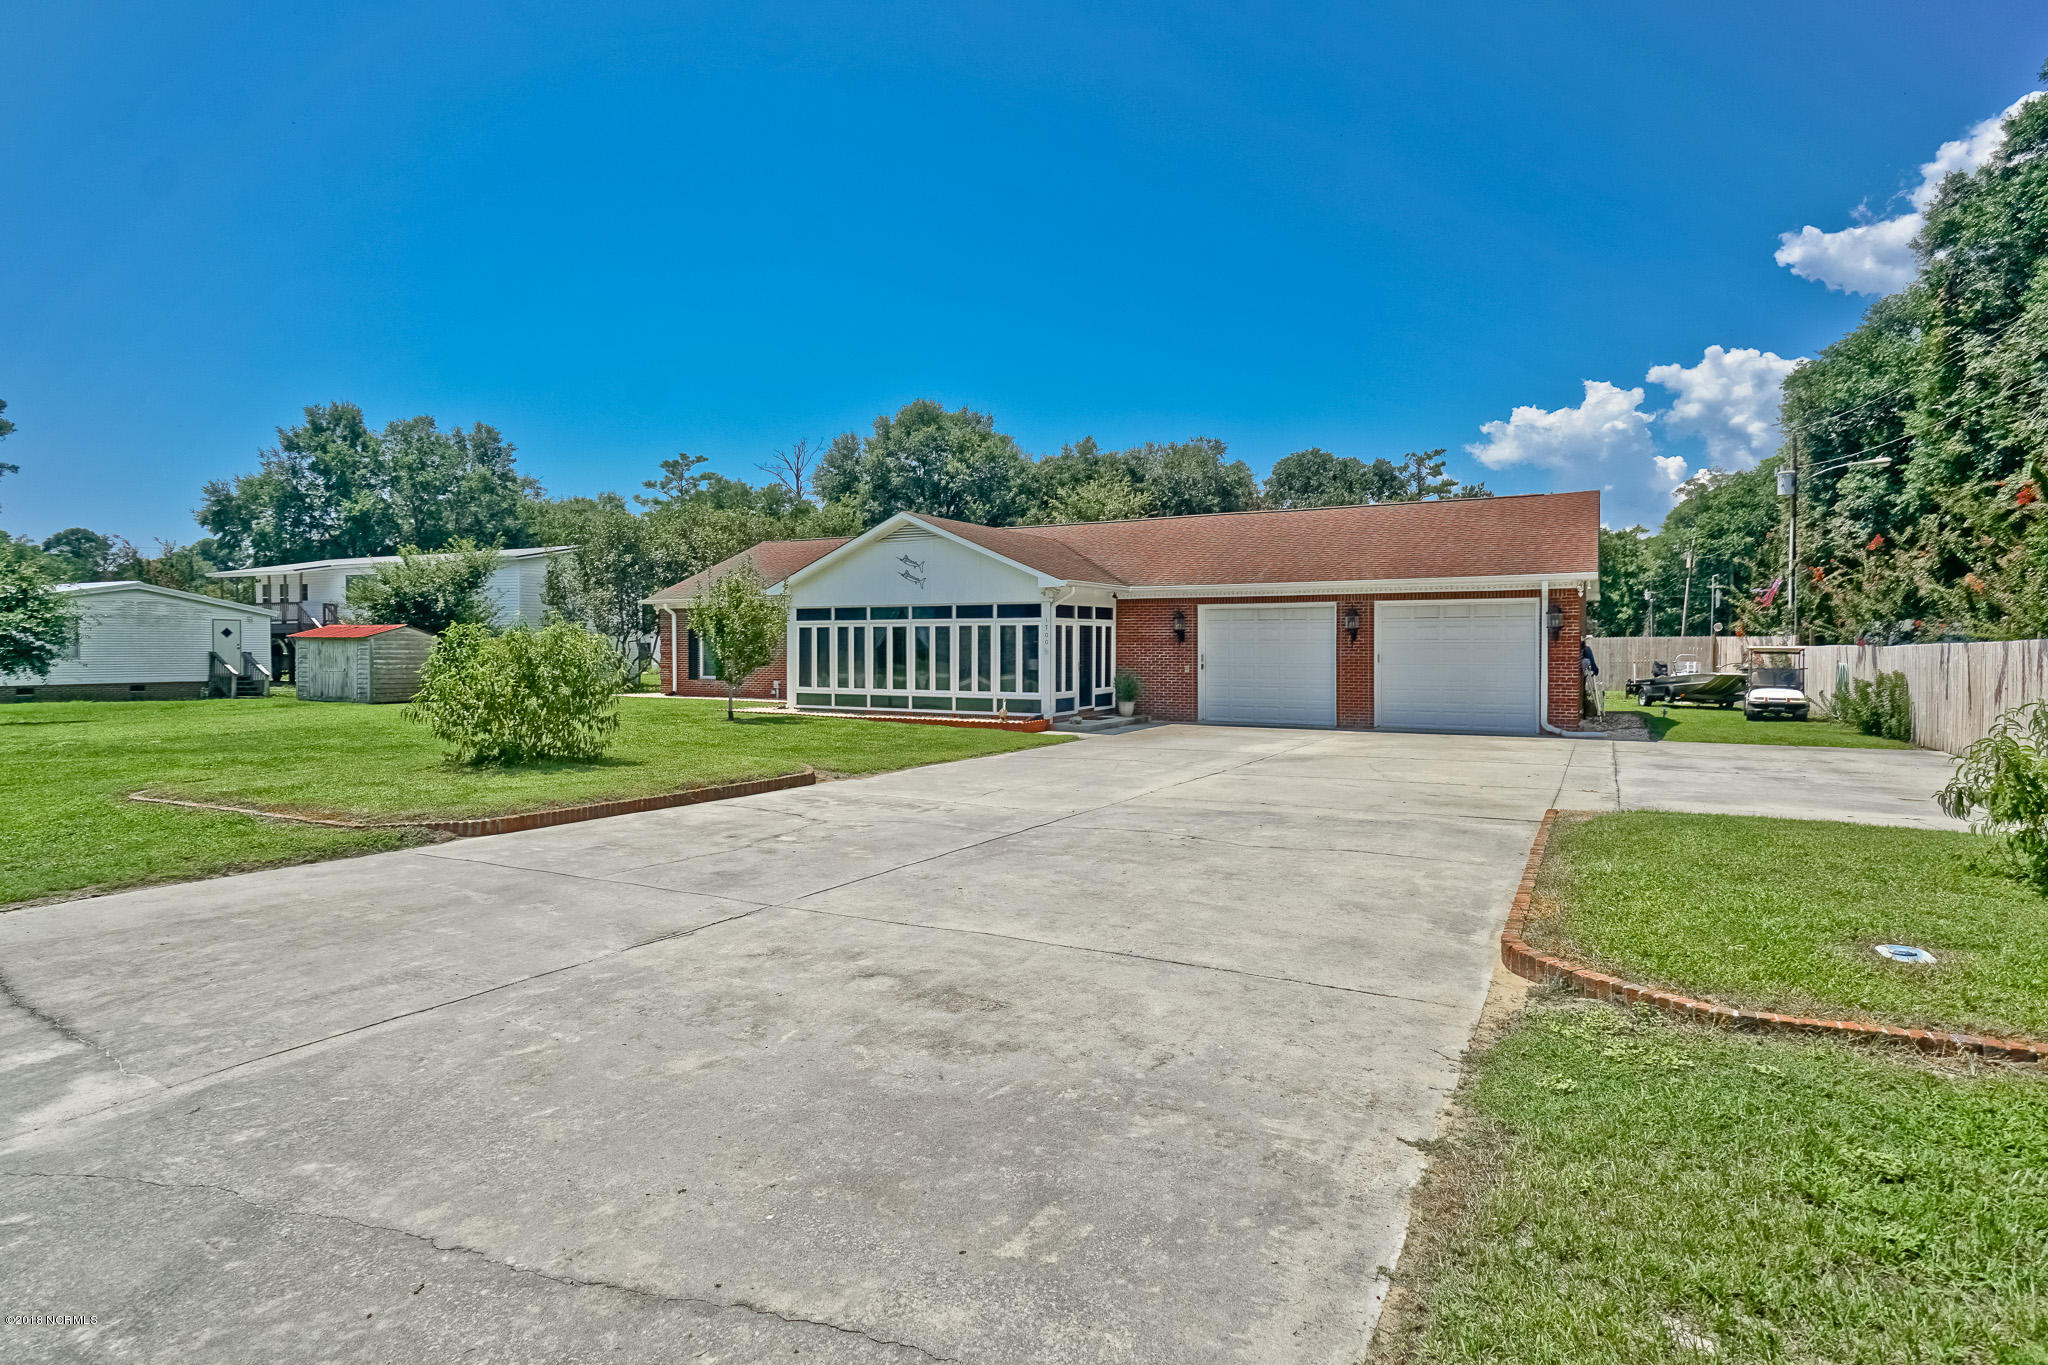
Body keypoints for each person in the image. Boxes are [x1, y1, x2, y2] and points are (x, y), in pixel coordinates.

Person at [1580, 640, 1602, 718]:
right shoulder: (1586, 649)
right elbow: (1591, 661)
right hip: (1587, 666)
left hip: (1585, 666)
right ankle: (1595, 669)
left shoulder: (1585, 650)